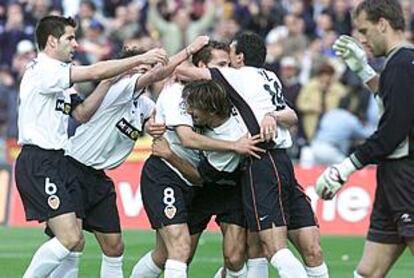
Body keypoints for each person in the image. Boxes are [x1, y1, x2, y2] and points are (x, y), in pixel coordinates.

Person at [14, 15, 167, 278]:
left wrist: (107, 83)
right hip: (39, 160)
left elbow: (82, 113)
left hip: (57, 161)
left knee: (78, 241)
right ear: (52, 41)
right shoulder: (44, 70)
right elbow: (94, 71)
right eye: (70, 38)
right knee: (71, 237)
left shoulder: (61, 80)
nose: (75, 44)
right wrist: (141, 59)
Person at [46, 37, 210, 278]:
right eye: (140, 66)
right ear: (126, 69)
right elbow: (155, 77)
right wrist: (189, 50)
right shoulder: (117, 88)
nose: (146, 71)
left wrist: (152, 127)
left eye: (147, 66)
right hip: (73, 169)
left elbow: (149, 121)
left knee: (114, 247)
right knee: (72, 241)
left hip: (99, 178)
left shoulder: (143, 103)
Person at [176, 31, 328, 278]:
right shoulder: (271, 77)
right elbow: (292, 116)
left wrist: (191, 49)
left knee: (273, 248)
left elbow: (183, 72)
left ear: (240, 56)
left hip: (261, 161)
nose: (229, 59)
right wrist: (272, 116)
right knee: (311, 250)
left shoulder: (238, 76)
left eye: (232, 53)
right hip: (284, 163)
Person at [131, 40, 265, 278]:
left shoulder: (228, 91)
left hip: (212, 180)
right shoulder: (176, 94)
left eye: (228, 64)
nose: (227, 70)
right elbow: (187, 138)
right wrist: (234, 146)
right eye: (220, 65)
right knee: (173, 253)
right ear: (202, 66)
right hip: (171, 173)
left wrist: (273, 117)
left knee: (234, 256)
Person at [316, 0, 414, 277]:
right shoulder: (402, 63)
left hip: (406, 175)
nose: (361, 39)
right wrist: (364, 71)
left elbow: (393, 131)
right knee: (368, 272)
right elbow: (395, 103)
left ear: (382, 24)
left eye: (364, 30)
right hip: (393, 177)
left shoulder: (400, 65)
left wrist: (344, 169)